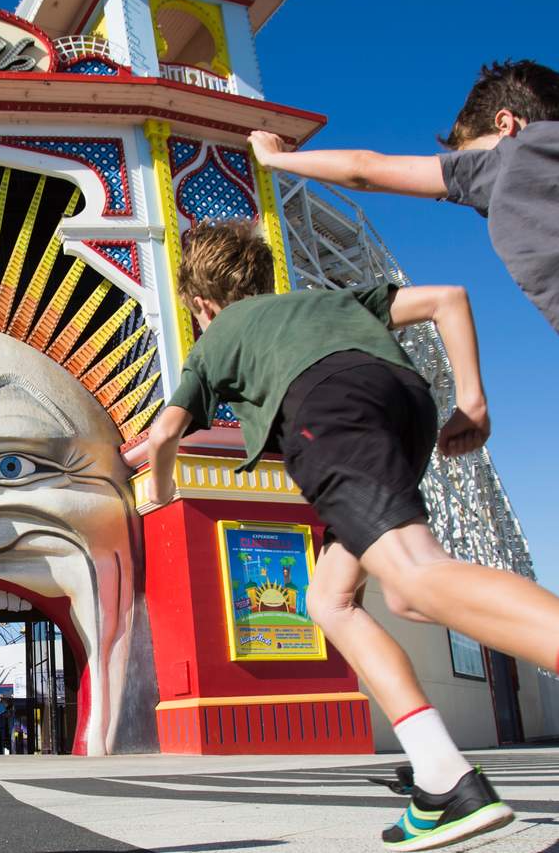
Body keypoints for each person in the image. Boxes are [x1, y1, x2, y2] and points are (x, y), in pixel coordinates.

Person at [146, 220, 559, 852]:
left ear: (201, 305)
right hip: (405, 407)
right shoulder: (329, 301)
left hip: (329, 414)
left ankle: (448, 777)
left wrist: (164, 488)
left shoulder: (218, 335)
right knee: (330, 599)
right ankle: (442, 775)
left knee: (416, 577)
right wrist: (472, 400)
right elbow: (449, 298)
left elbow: (165, 434)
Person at [248, 59, 559, 332]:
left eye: (468, 157)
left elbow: (364, 170)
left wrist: (275, 159)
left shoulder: (511, 156)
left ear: (505, 124)